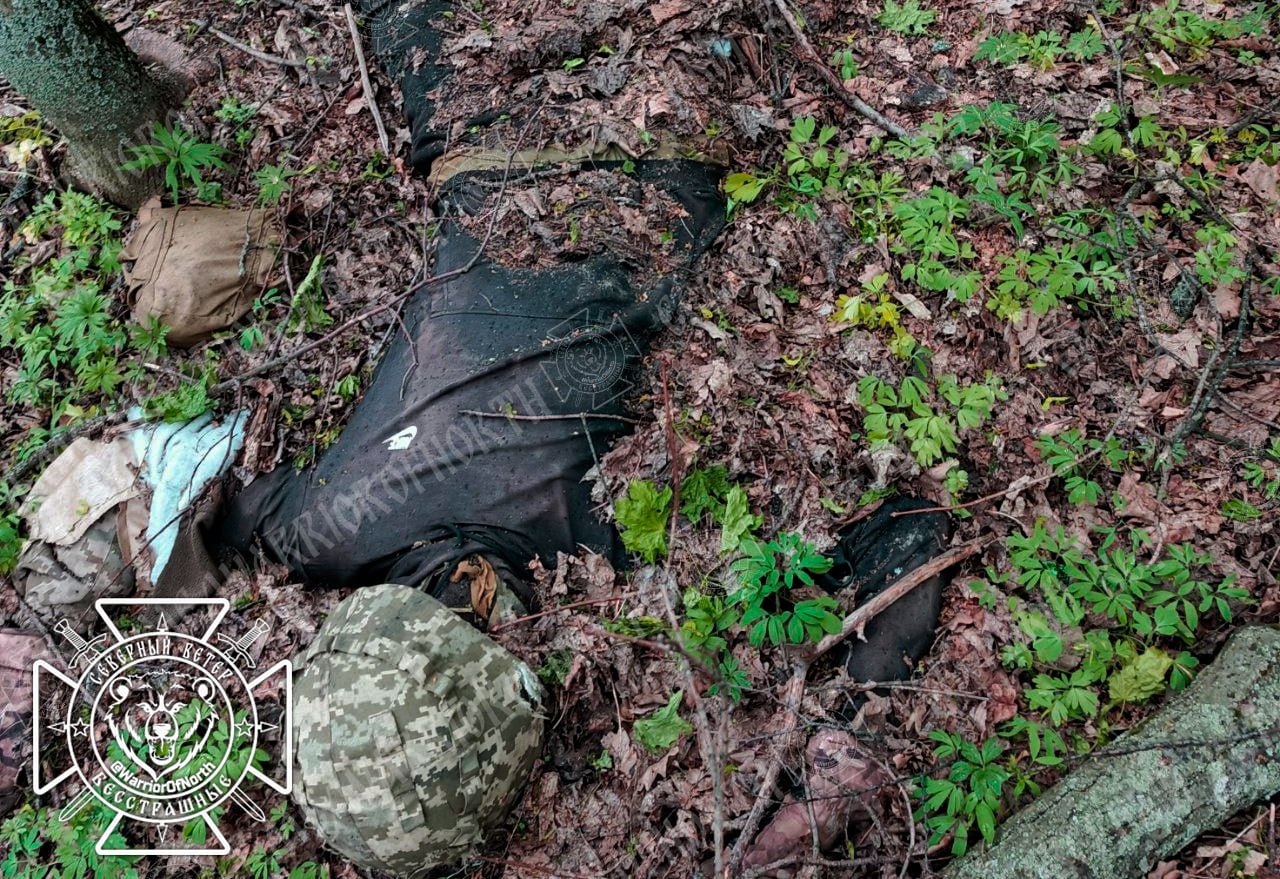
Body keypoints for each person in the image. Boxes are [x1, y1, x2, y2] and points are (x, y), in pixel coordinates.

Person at [146, 1, 955, 873]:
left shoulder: (612, 542)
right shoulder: (318, 531)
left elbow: (905, 533)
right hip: (499, 134)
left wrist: (837, 768)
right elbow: (194, 497)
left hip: (658, 134)